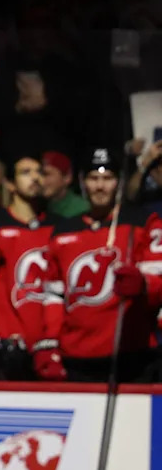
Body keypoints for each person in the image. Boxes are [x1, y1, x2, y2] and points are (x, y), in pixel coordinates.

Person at [41, 147, 162, 382]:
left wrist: (143, 283)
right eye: (93, 178)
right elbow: (54, 297)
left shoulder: (142, 222)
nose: (100, 186)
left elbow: (159, 279)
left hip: (130, 353)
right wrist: (50, 344)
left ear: (119, 182)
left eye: (107, 178)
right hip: (76, 357)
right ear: (82, 182)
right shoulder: (63, 231)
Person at [0, 153, 61, 381]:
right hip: (5, 344)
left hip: (49, 342)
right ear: (10, 184)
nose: (35, 178)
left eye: (39, 172)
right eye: (25, 172)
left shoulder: (59, 227)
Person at [41, 150, 89, 218]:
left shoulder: (82, 209)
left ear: (67, 177)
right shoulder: (39, 207)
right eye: (40, 174)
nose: (41, 180)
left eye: (47, 174)